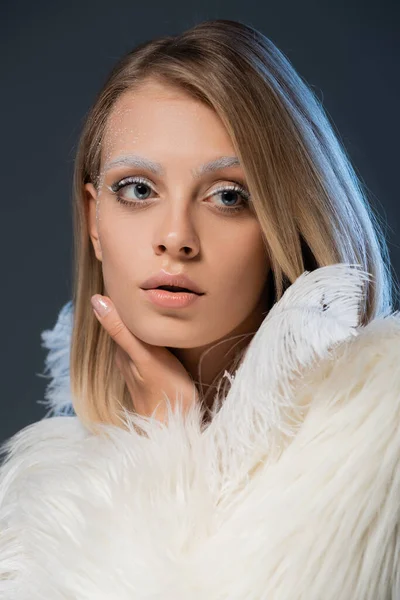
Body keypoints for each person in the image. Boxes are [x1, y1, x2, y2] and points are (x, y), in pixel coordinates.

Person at [1, 18, 399, 599]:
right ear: (94, 221)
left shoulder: (378, 430)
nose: (175, 237)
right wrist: (166, 445)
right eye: (138, 189)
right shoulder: (39, 504)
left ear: (285, 223)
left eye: (228, 196)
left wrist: (170, 464)